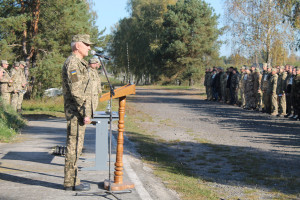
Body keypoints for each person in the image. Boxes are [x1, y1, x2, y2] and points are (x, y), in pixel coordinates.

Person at [62, 34, 93, 191]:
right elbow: (76, 91)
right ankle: (70, 182)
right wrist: (84, 112)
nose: (89, 47)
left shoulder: (79, 63)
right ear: (77, 46)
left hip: (77, 112)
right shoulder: (73, 64)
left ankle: (73, 181)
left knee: (76, 147)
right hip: (76, 113)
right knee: (73, 147)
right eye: (86, 44)